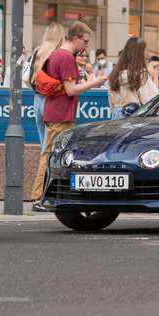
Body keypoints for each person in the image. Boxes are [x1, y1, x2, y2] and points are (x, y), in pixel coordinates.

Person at [31, 22, 107, 211]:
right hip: (60, 113)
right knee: (50, 154)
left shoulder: (57, 54)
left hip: (55, 111)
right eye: (86, 41)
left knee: (52, 154)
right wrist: (95, 82)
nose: (87, 45)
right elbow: (71, 90)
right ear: (76, 38)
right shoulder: (66, 58)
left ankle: (44, 196)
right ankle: (38, 197)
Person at [29, 23, 65, 153]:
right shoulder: (60, 54)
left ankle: (42, 171)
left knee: (43, 142)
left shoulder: (38, 52)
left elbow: (30, 78)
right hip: (51, 101)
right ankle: (44, 173)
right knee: (49, 148)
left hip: (37, 99)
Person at [108, 37, 159, 120]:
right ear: (140, 53)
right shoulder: (140, 73)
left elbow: (111, 99)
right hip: (134, 116)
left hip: (116, 115)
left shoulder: (116, 73)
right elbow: (149, 99)